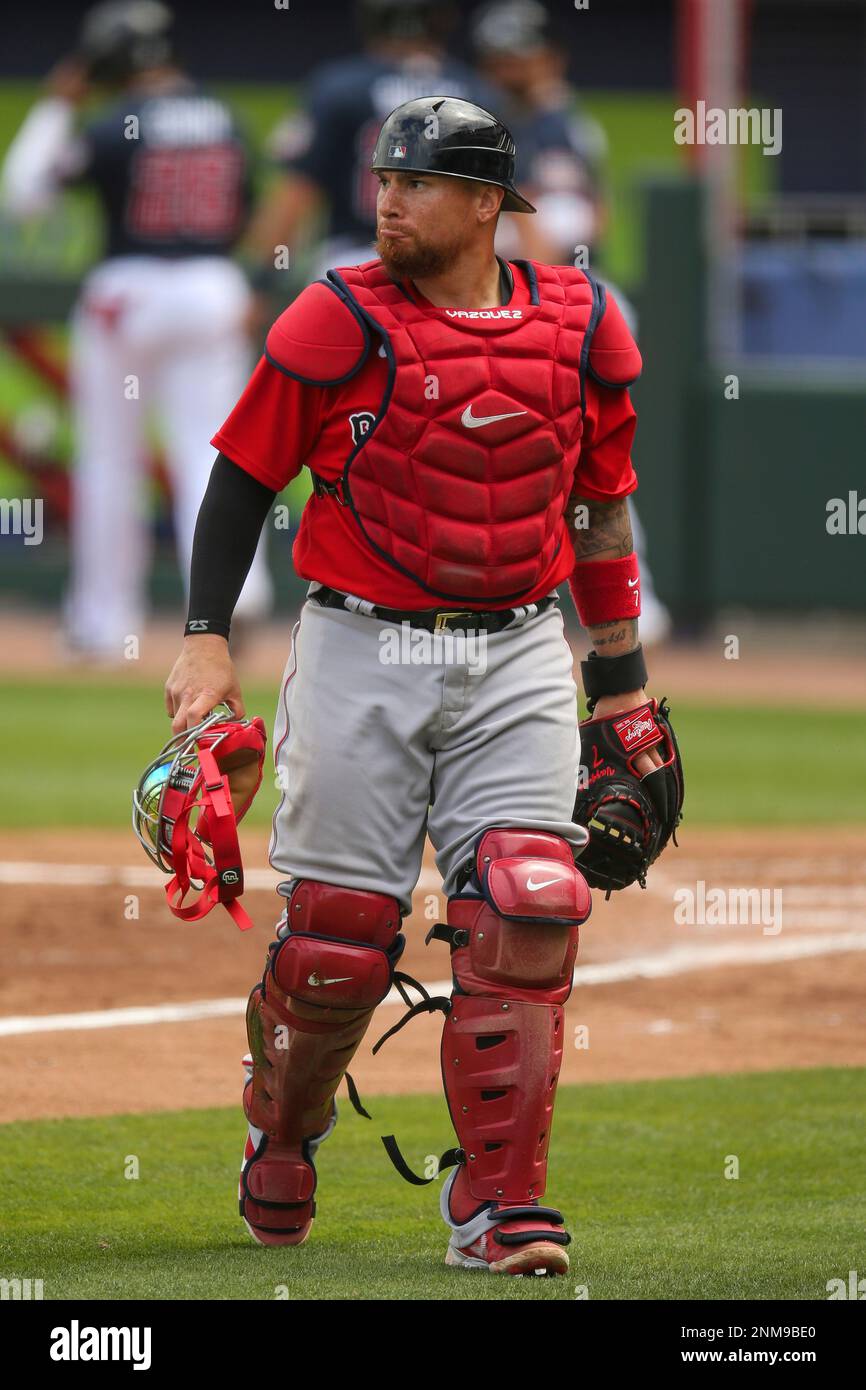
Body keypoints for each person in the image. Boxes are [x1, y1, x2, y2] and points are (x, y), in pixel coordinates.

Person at [165, 96, 663, 1277]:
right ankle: (281, 1122)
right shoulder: (333, 317)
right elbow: (240, 480)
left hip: (514, 650)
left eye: (419, 182)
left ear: (487, 204)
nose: (388, 198)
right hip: (360, 645)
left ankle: (497, 1205)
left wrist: (623, 688)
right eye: (383, 178)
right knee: (337, 944)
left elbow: (598, 508)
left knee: (529, 903)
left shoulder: (581, 327)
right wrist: (202, 637)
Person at [0, 0, 271, 660]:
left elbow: (22, 193)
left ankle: (101, 622)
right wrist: (248, 285)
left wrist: (58, 104)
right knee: (215, 454)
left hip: (127, 292)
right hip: (212, 287)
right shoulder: (227, 118)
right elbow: (258, 215)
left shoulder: (110, 120)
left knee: (108, 461)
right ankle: (235, 604)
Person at [472, 0, 672, 644]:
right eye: (499, 55)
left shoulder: (552, 130)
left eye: (521, 53)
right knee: (564, 461)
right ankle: (622, 606)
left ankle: (629, 606)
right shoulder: (542, 125)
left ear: (550, 56)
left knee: (584, 465)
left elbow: (555, 243)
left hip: (568, 306)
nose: (509, 66)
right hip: (568, 303)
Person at [244, 0, 501, 282]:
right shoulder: (478, 92)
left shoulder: (340, 87)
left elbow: (297, 192)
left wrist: (263, 279)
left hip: (355, 264)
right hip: (449, 266)